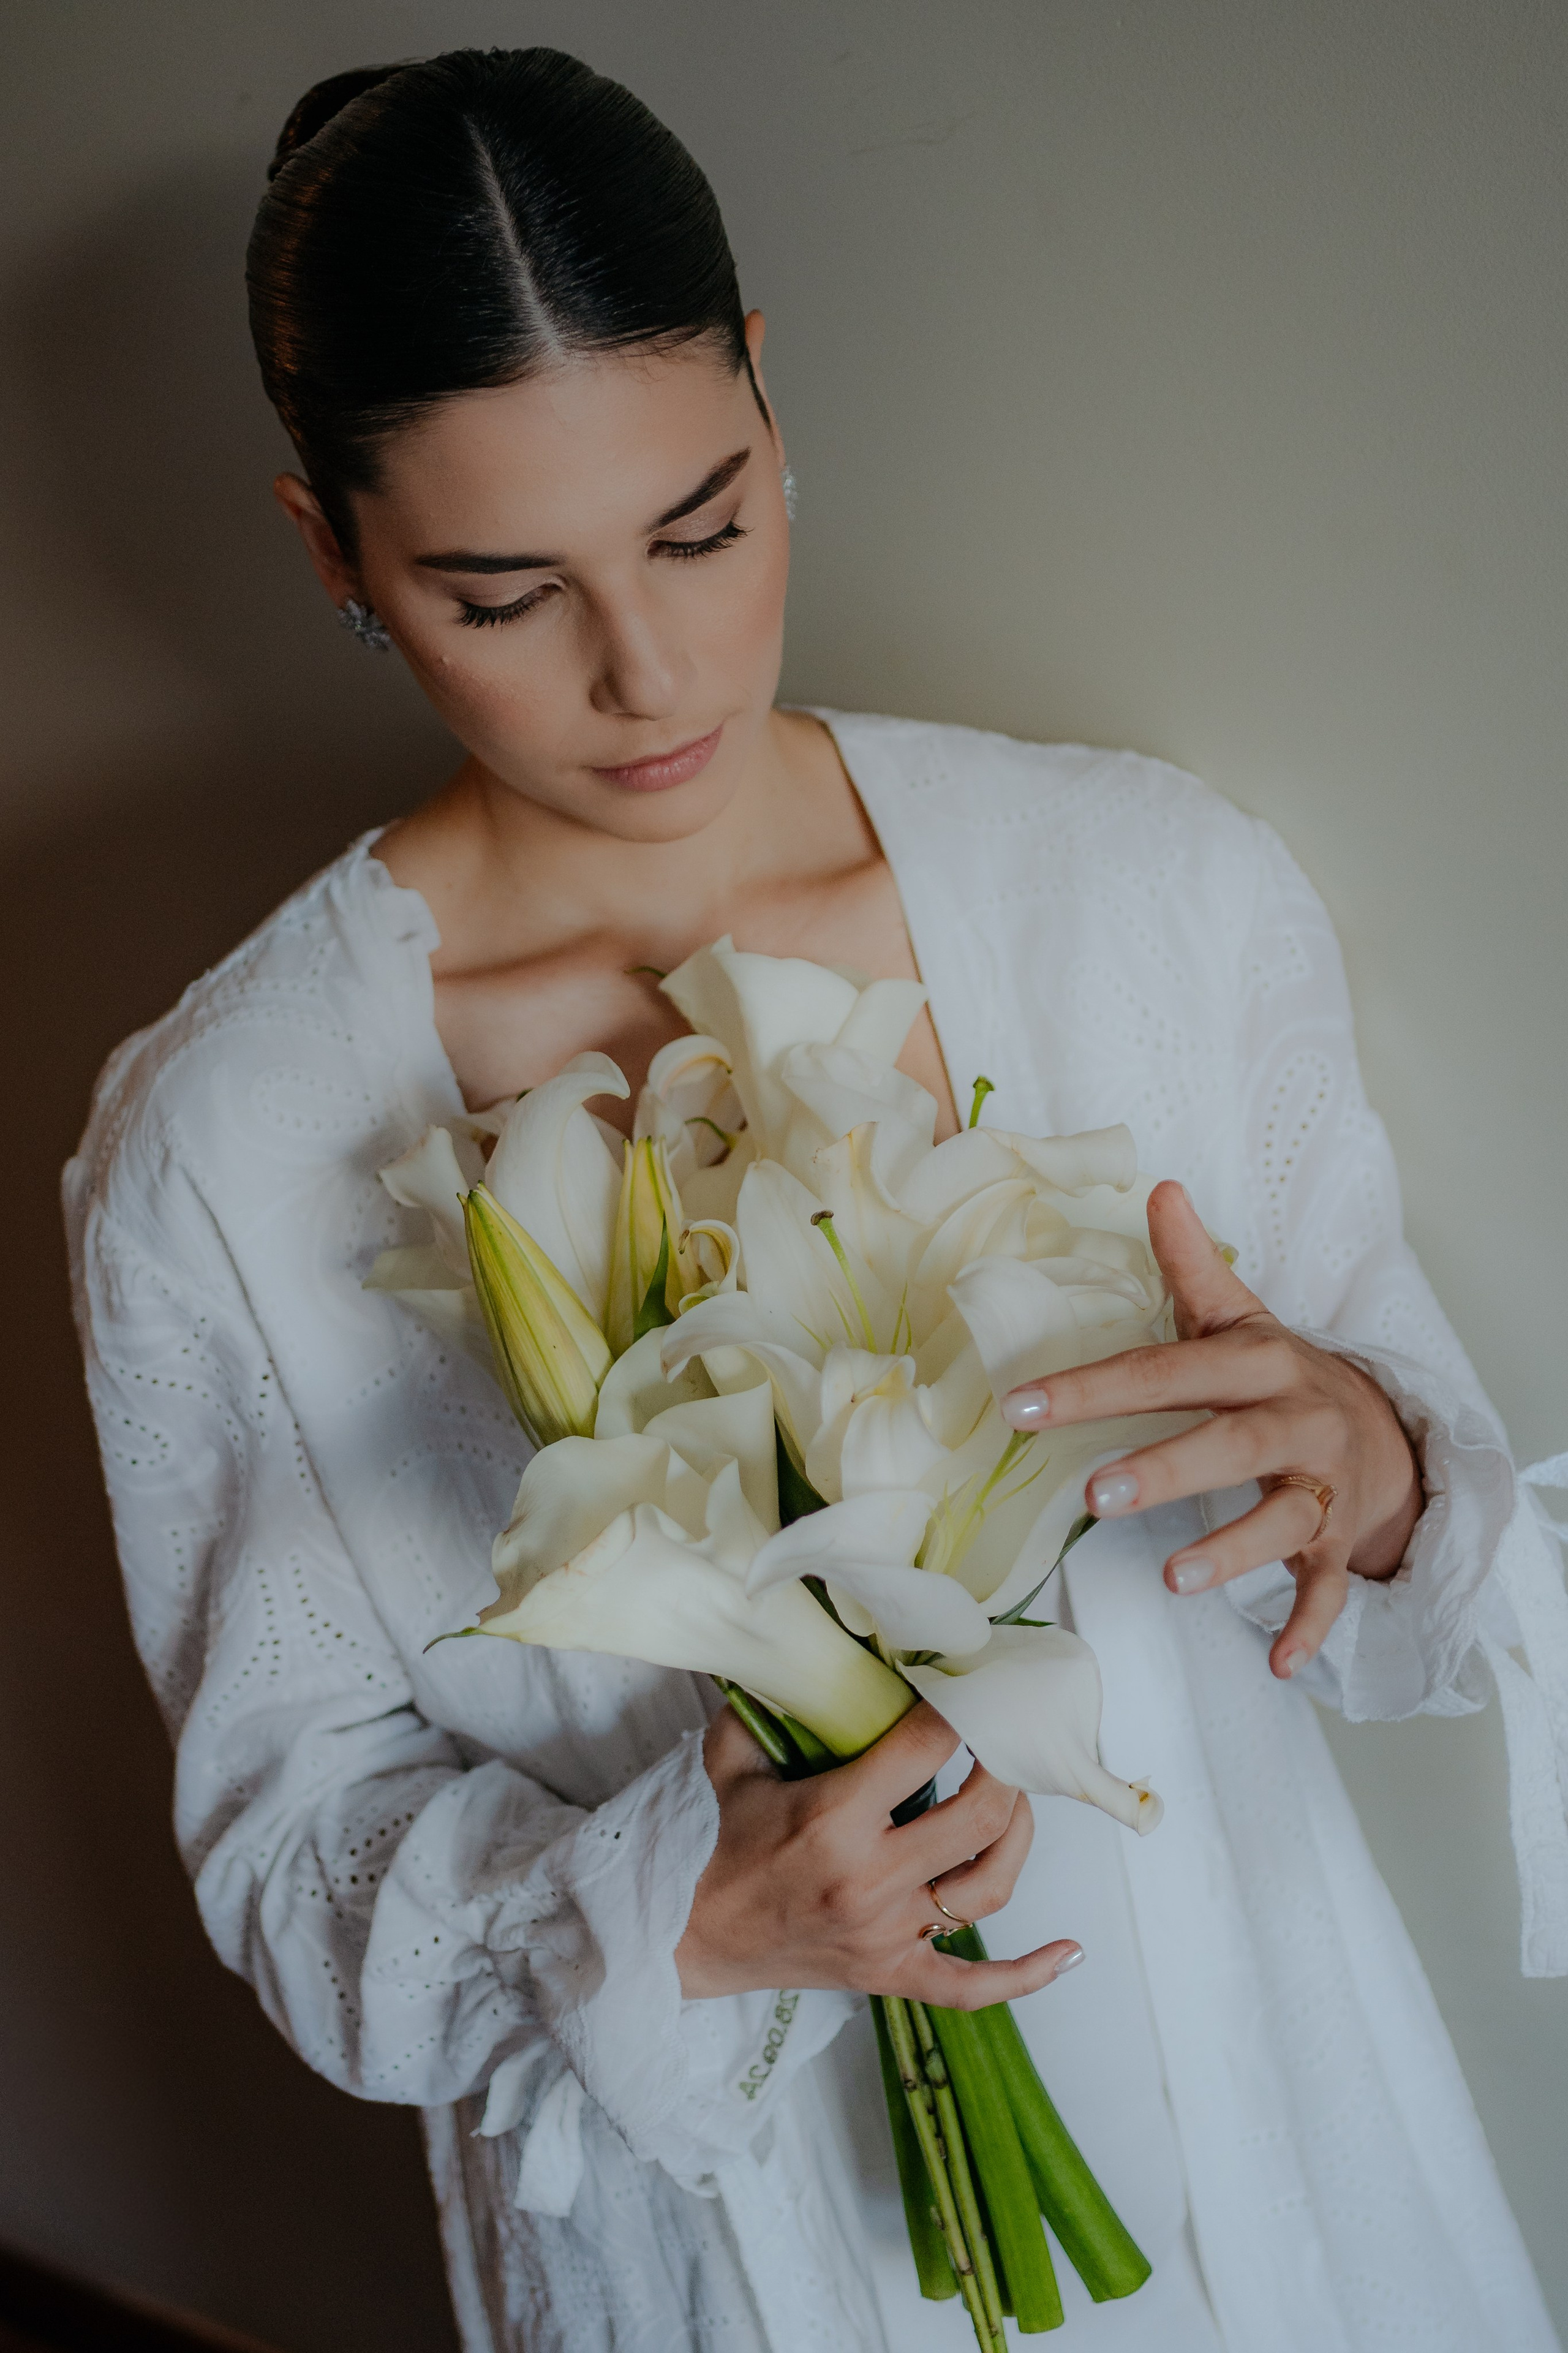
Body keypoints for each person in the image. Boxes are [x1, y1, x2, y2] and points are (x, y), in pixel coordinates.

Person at [63, 47, 1567, 2353]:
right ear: (330, 551)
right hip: (725, 2253)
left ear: (771, 401)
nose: (646, 672)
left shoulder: (1146, 899)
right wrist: (674, 1906)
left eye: (702, 523)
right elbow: (293, 1853)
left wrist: (1369, 1470)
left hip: (1276, 2164)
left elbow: (1428, 1535)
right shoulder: (224, 1147)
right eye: (500, 591)